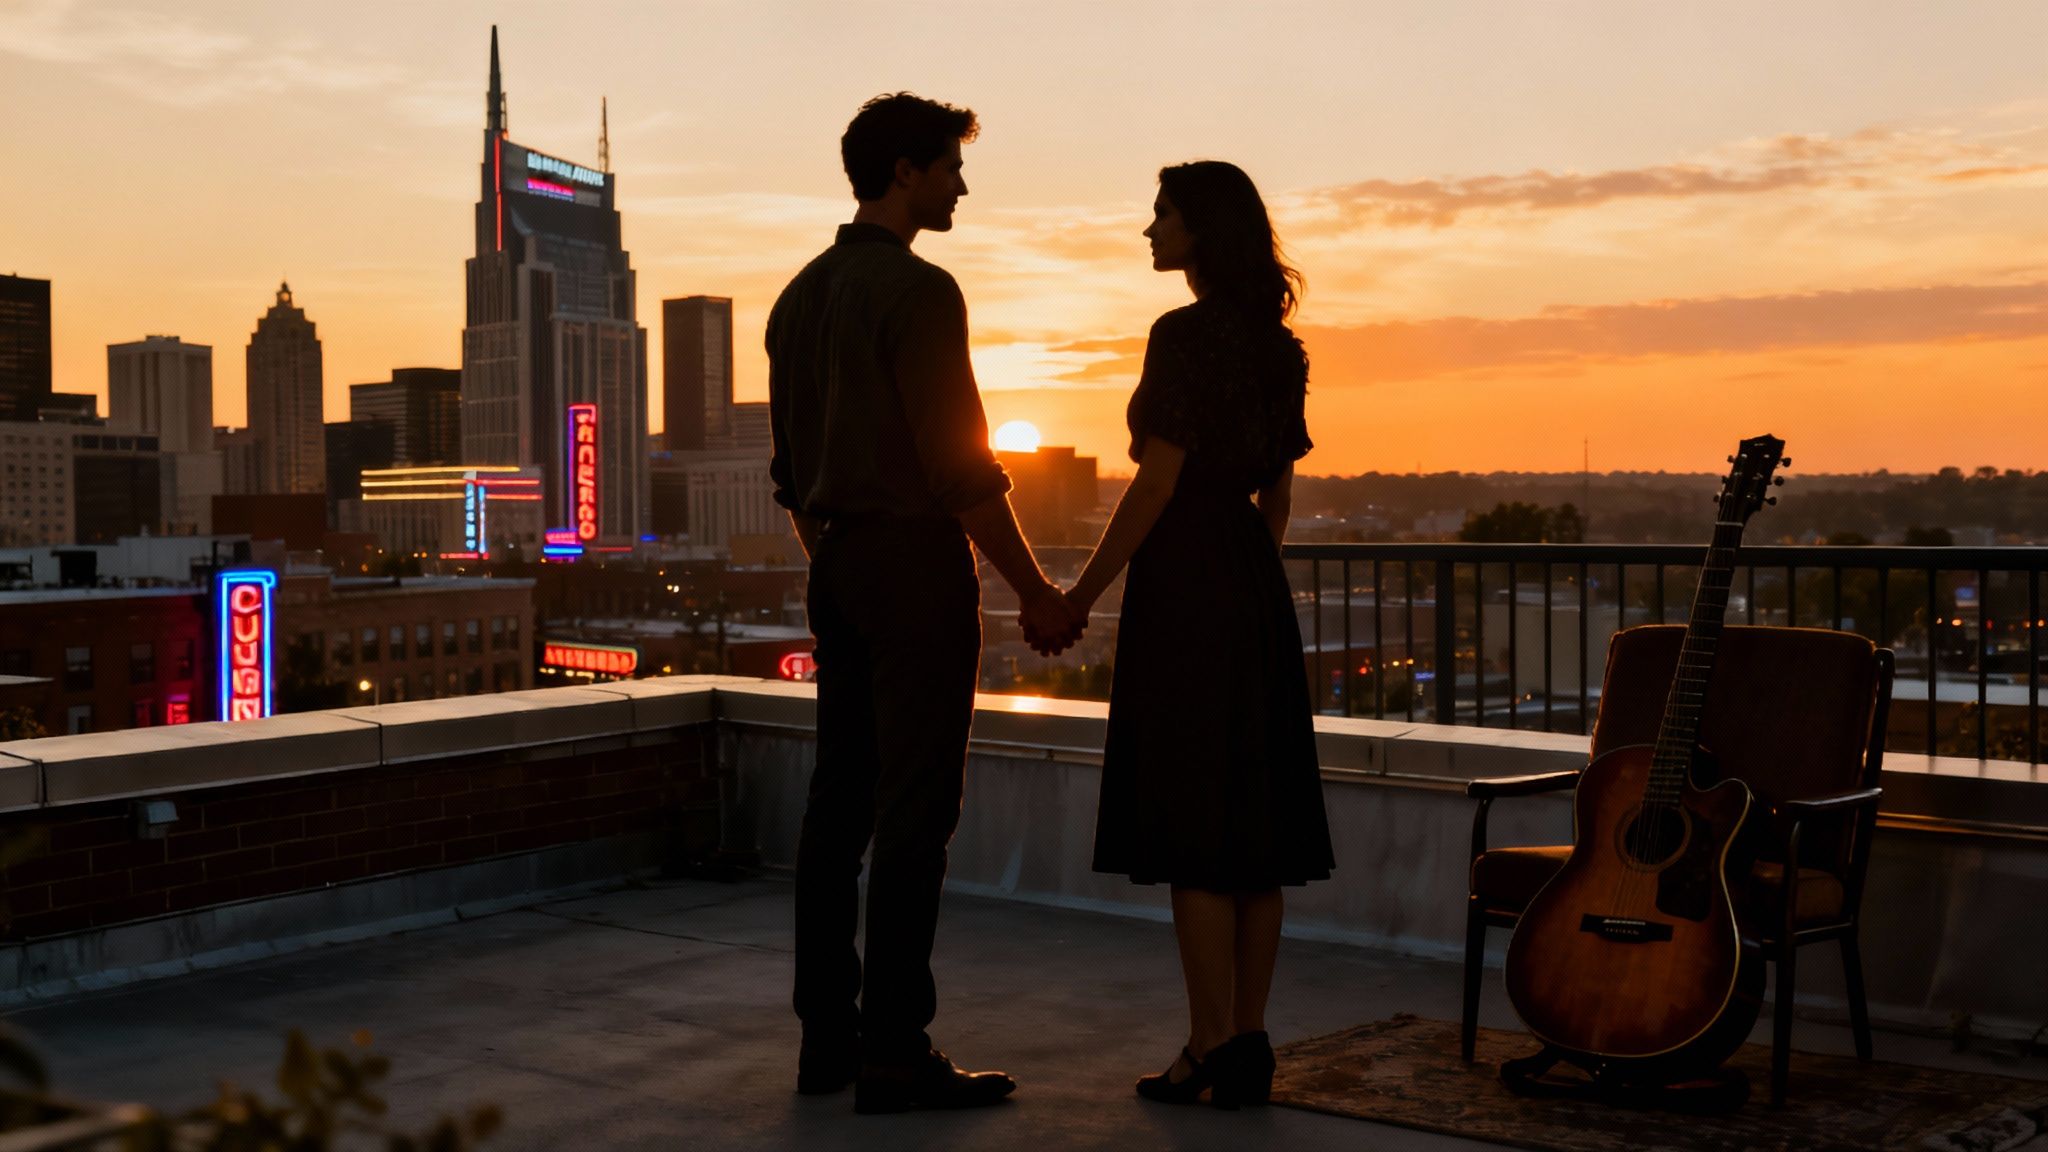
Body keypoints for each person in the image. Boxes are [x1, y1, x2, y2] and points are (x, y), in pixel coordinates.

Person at [767, 92, 1086, 1115]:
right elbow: (960, 470)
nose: (959, 184)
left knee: (835, 807)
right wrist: (1037, 591)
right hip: (908, 566)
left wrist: (839, 553)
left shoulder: (797, 299)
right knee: (913, 810)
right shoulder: (917, 292)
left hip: (839, 566)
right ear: (904, 170)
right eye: (949, 166)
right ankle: (896, 1051)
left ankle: (828, 1042)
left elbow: (790, 474)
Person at [1062, 160, 1334, 1110]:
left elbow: (1156, 483)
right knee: (1255, 831)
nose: (1148, 230)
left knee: (1195, 827)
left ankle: (1209, 1044)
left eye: (1162, 215)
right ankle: (1246, 1040)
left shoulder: (1181, 336)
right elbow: (1279, 494)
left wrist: (1081, 592)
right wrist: (1251, 591)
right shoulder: (1278, 345)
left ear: (1201, 231)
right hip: (1253, 585)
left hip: (1188, 585)